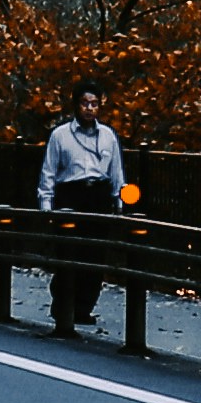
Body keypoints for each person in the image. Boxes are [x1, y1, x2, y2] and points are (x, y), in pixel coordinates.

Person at [38, 87, 126, 339]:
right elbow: (49, 171)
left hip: (97, 195)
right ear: (76, 105)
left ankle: (84, 307)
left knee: (95, 254)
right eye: (85, 103)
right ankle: (63, 305)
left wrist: (118, 202)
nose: (90, 108)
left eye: (95, 103)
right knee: (68, 252)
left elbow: (116, 172)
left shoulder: (108, 136)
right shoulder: (61, 135)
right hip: (71, 194)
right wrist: (46, 204)